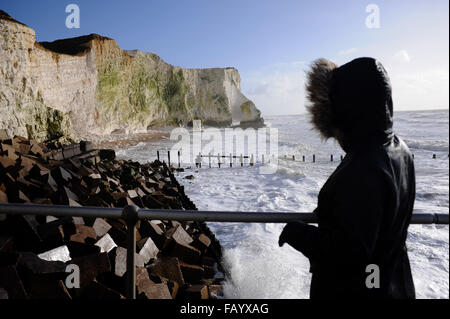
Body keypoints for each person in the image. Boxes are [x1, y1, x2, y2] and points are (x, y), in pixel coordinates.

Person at [279, 57, 416, 299]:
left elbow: (349, 254)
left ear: (346, 110)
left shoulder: (364, 167)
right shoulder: (401, 151)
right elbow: (374, 222)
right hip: (396, 283)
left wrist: (297, 233)